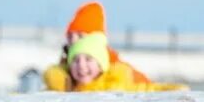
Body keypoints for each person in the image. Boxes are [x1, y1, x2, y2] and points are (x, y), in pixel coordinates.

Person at [43, 1, 152, 88]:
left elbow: (147, 88)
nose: (73, 41)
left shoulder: (118, 71)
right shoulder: (63, 69)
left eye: (80, 36)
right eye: (70, 36)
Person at [54, 33, 187, 93]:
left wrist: (171, 89)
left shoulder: (115, 86)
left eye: (88, 59)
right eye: (76, 60)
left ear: (101, 65)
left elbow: (146, 89)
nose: (81, 65)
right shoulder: (66, 88)